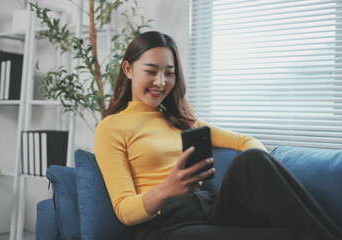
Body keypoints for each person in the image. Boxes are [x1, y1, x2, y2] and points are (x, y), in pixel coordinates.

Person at [94, 31, 342, 240]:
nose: (160, 82)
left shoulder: (182, 121)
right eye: (151, 71)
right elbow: (124, 210)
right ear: (128, 69)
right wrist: (168, 188)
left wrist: (266, 171)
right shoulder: (112, 128)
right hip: (164, 227)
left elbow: (245, 141)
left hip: (206, 208)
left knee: (251, 159)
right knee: (283, 233)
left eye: (169, 73)